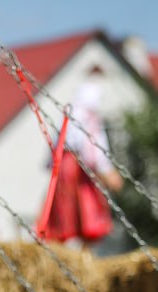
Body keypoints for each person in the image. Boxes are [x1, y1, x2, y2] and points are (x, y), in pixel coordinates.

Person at [40, 65, 124, 249]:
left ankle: (68, 252)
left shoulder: (70, 115)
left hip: (65, 167)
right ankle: (83, 255)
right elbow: (92, 149)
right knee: (87, 214)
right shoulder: (88, 117)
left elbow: (56, 146)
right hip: (79, 170)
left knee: (65, 215)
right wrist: (106, 171)